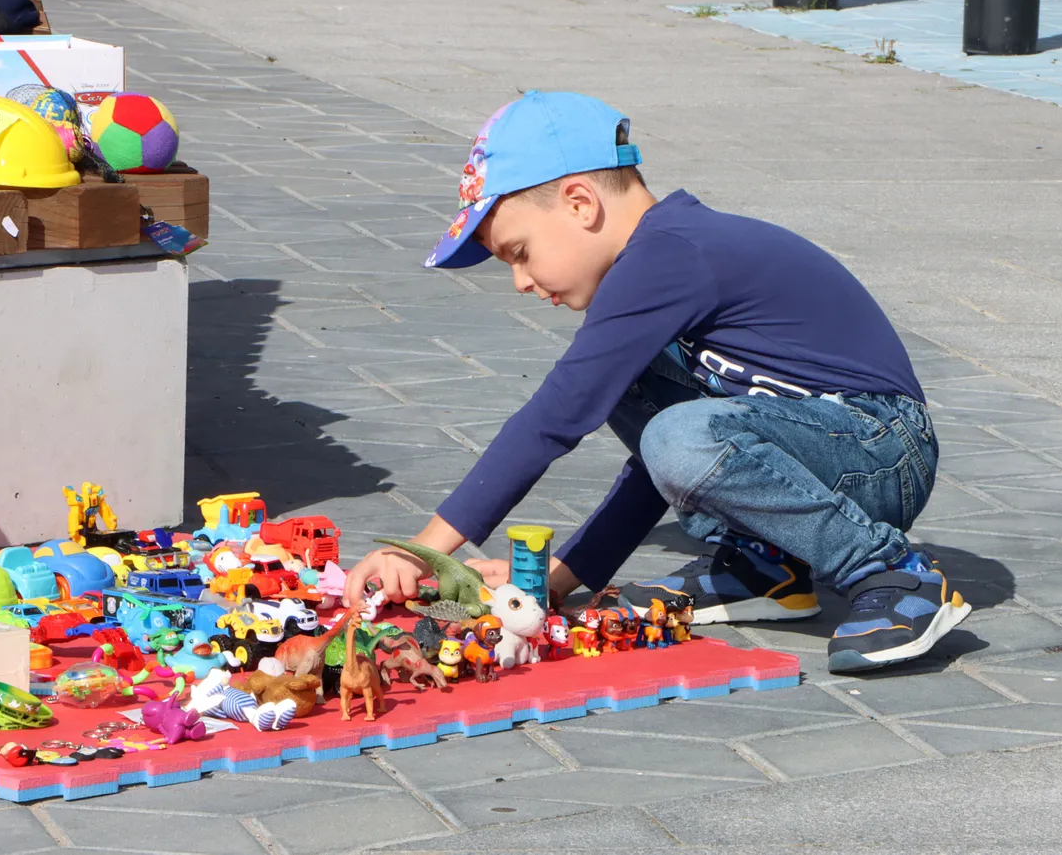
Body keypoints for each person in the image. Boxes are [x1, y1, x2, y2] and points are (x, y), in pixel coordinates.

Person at [344, 91, 970, 674]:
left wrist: (422, 552)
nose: (521, 282)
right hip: (827, 444)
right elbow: (656, 467)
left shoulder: (670, 253)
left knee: (678, 432)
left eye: (518, 252)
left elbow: (555, 418)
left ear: (580, 203)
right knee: (650, 407)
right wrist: (558, 580)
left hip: (882, 448)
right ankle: (765, 570)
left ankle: (893, 574)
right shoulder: (658, 261)